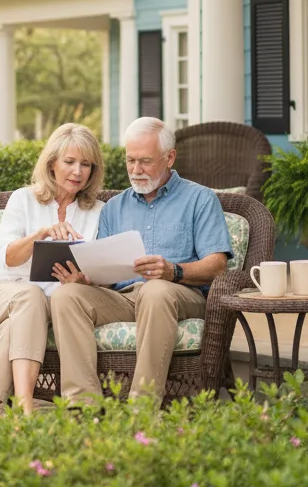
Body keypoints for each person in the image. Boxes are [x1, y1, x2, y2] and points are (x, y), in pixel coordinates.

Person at [50, 116, 232, 405]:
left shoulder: (200, 199)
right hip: (124, 297)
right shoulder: (114, 207)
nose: (136, 170)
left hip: (179, 295)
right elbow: (105, 272)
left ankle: (142, 408)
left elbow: (218, 265)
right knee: (67, 296)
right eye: (130, 160)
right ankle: (83, 408)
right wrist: (85, 279)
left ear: (170, 157)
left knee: (155, 289)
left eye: (145, 161)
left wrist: (173, 270)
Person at [0, 122, 105, 418]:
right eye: (69, 162)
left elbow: (98, 267)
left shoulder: (97, 212)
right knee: (29, 296)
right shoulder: (23, 199)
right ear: (52, 163)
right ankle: (24, 406)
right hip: (1, 294)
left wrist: (81, 280)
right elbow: (7, 257)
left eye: (86, 165)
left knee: (14, 328)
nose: (77, 172)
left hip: (45, 306)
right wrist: (40, 235)